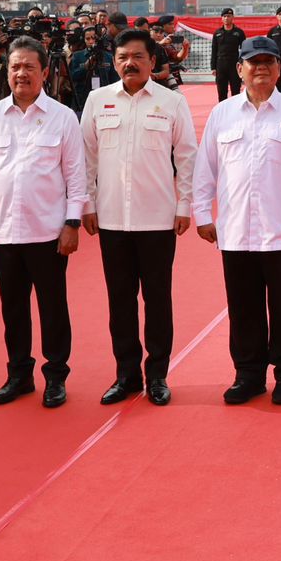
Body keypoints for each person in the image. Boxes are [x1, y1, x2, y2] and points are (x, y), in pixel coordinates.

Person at [197, 36, 281, 406]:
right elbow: (205, 170)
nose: (260, 68)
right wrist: (202, 213)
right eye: (253, 62)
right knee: (243, 308)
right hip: (236, 231)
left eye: (268, 62)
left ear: (278, 69)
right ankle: (249, 374)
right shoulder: (221, 115)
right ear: (239, 69)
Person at [0, 37, 87, 408]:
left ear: (45, 72)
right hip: (4, 233)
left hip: (49, 232)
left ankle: (55, 376)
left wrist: (72, 224)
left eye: (29, 67)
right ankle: (18, 375)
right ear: (7, 73)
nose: (21, 73)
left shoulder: (63, 118)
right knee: (13, 309)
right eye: (15, 67)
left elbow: (76, 177)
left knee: (53, 308)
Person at [81, 29, 198, 408]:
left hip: (158, 219)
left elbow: (187, 158)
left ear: (152, 61)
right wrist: (87, 204)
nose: (129, 63)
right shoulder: (98, 101)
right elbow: (86, 158)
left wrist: (184, 206)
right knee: (120, 302)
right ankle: (126, 376)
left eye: (137, 57)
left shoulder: (171, 103)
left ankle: (158, 376)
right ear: (114, 62)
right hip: (112, 219)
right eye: (122, 58)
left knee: (158, 301)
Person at [211, 9, 248, 101]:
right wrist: (213, 67)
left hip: (234, 65)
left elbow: (244, 49)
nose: (226, 18)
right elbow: (214, 50)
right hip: (221, 65)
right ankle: (223, 112)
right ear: (221, 18)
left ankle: (236, 112)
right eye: (224, 16)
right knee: (221, 92)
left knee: (236, 91)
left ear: (233, 17)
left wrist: (243, 65)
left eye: (228, 16)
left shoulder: (239, 33)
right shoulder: (217, 33)